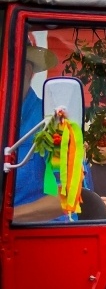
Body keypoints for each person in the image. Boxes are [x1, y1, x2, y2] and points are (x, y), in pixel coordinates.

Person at [12, 44, 64, 222]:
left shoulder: (54, 122)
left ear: (24, 70)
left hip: (39, 238)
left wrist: (7, 217)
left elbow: (65, 197)